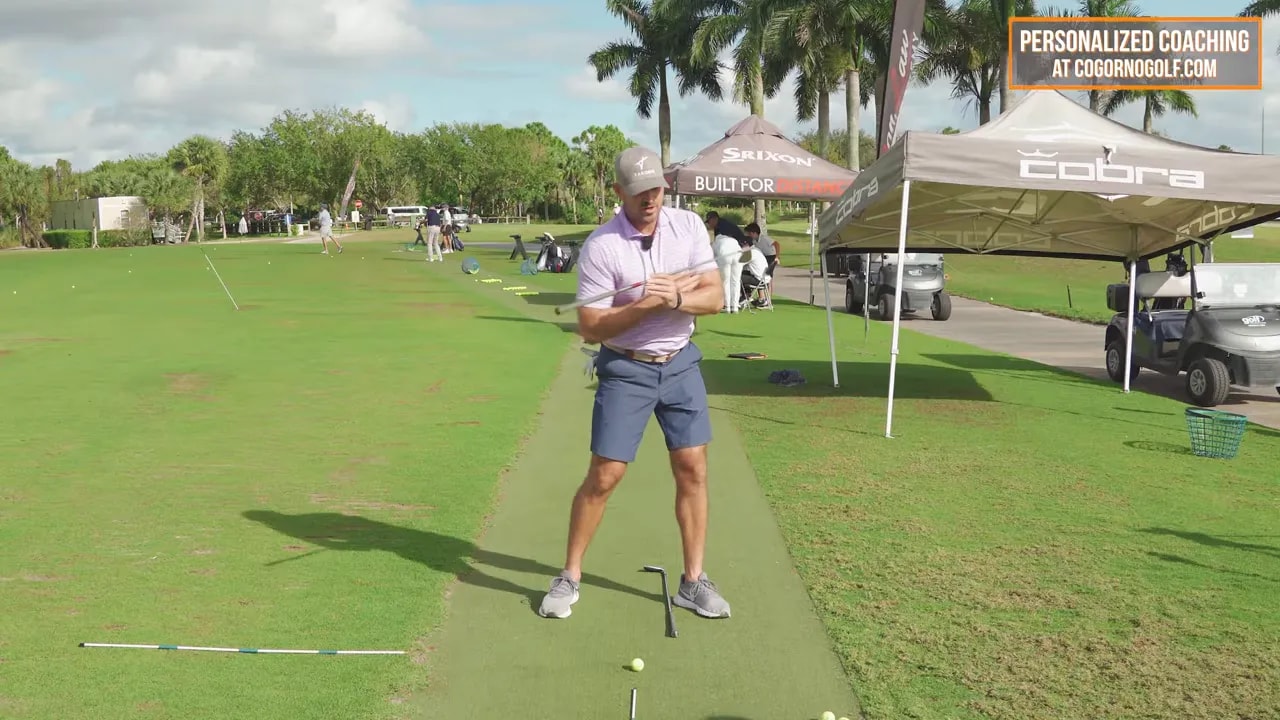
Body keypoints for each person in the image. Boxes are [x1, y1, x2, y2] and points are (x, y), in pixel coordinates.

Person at [538, 145, 731, 621]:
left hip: (681, 363)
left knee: (693, 468)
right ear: (619, 191)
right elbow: (590, 327)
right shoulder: (602, 245)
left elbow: (716, 297)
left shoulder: (686, 227)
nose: (650, 199)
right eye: (640, 191)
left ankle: (693, 581)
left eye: (657, 189)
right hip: (626, 369)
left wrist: (679, 295)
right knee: (606, 475)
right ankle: (569, 576)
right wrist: (646, 304)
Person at [713, 231, 743, 313]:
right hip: (738, 256)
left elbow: (713, 257)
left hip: (725, 256)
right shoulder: (733, 240)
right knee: (736, 281)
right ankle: (735, 306)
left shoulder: (716, 242)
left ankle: (727, 306)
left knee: (725, 281)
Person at [738, 236, 769, 306]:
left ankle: (745, 297)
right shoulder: (756, 250)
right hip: (764, 278)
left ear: (746, 245)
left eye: (741, 246)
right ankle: (747, 295)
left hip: (759, 279)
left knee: (736, 276)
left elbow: (739, 264)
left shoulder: (750, 253)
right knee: (744, 273)